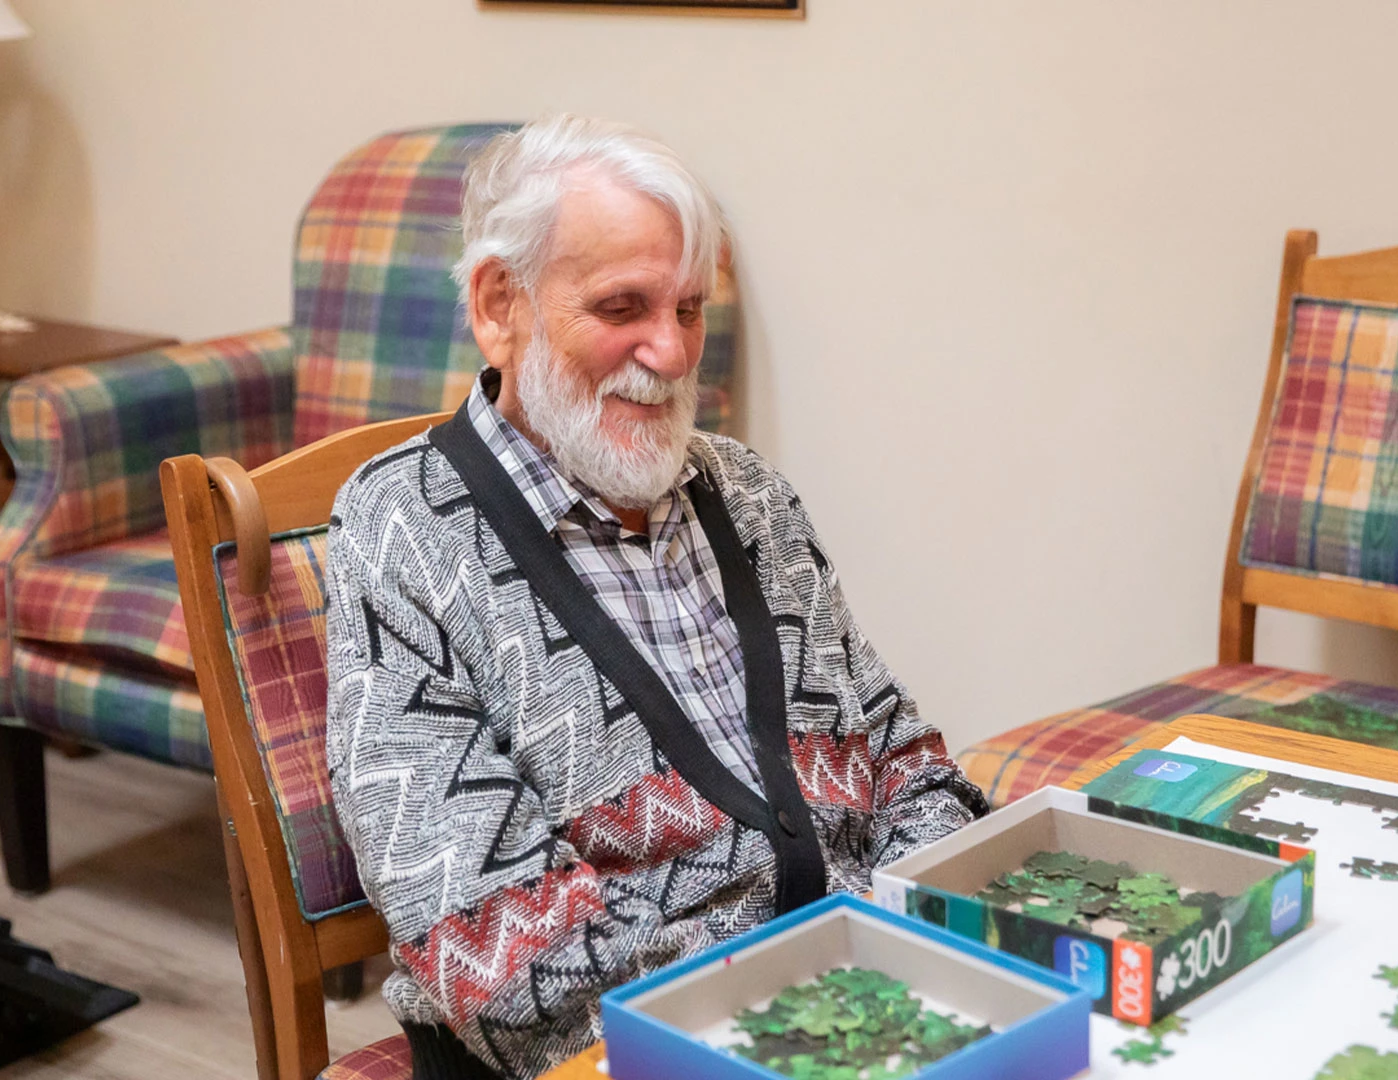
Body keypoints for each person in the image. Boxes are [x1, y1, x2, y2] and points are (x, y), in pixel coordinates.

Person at [324, 114, 986, 1080]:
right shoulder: (402, 532)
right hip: (622, 1054)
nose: (672, 354)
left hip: (859, 1011)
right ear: (500, 302)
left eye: (688, 310)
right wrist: (790, 1020)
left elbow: (898, 759)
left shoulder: (747, 493)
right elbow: (496, 950)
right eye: (623, 306)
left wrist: (934, 935)